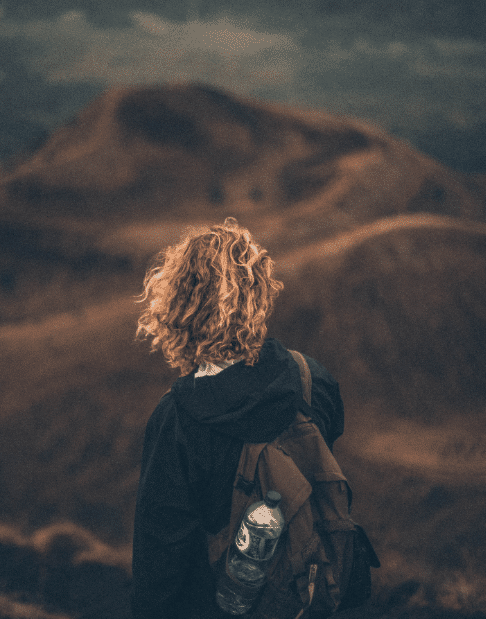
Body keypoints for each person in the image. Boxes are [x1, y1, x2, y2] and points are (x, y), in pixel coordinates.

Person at [131, 218, 346, 619]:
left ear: (180, 304)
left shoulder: (176, 420)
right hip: (305, 595)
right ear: (259, 295)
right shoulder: (312, 380)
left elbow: (158, 566)